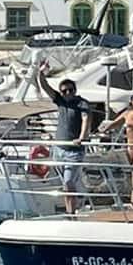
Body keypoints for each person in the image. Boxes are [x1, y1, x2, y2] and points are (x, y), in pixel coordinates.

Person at [35, 60, 95, 214]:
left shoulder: (82, 103)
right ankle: (73, 207)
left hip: (74, 150)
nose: (67, 93)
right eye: (64, 91)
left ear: (74, 90)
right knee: (66, 183)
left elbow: (85, 120)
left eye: (70, 90)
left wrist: (82, 137)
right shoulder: (60, 101)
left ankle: (71, 212)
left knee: (68, 182)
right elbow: (45, 86)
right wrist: (41, 73)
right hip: (59, 149)